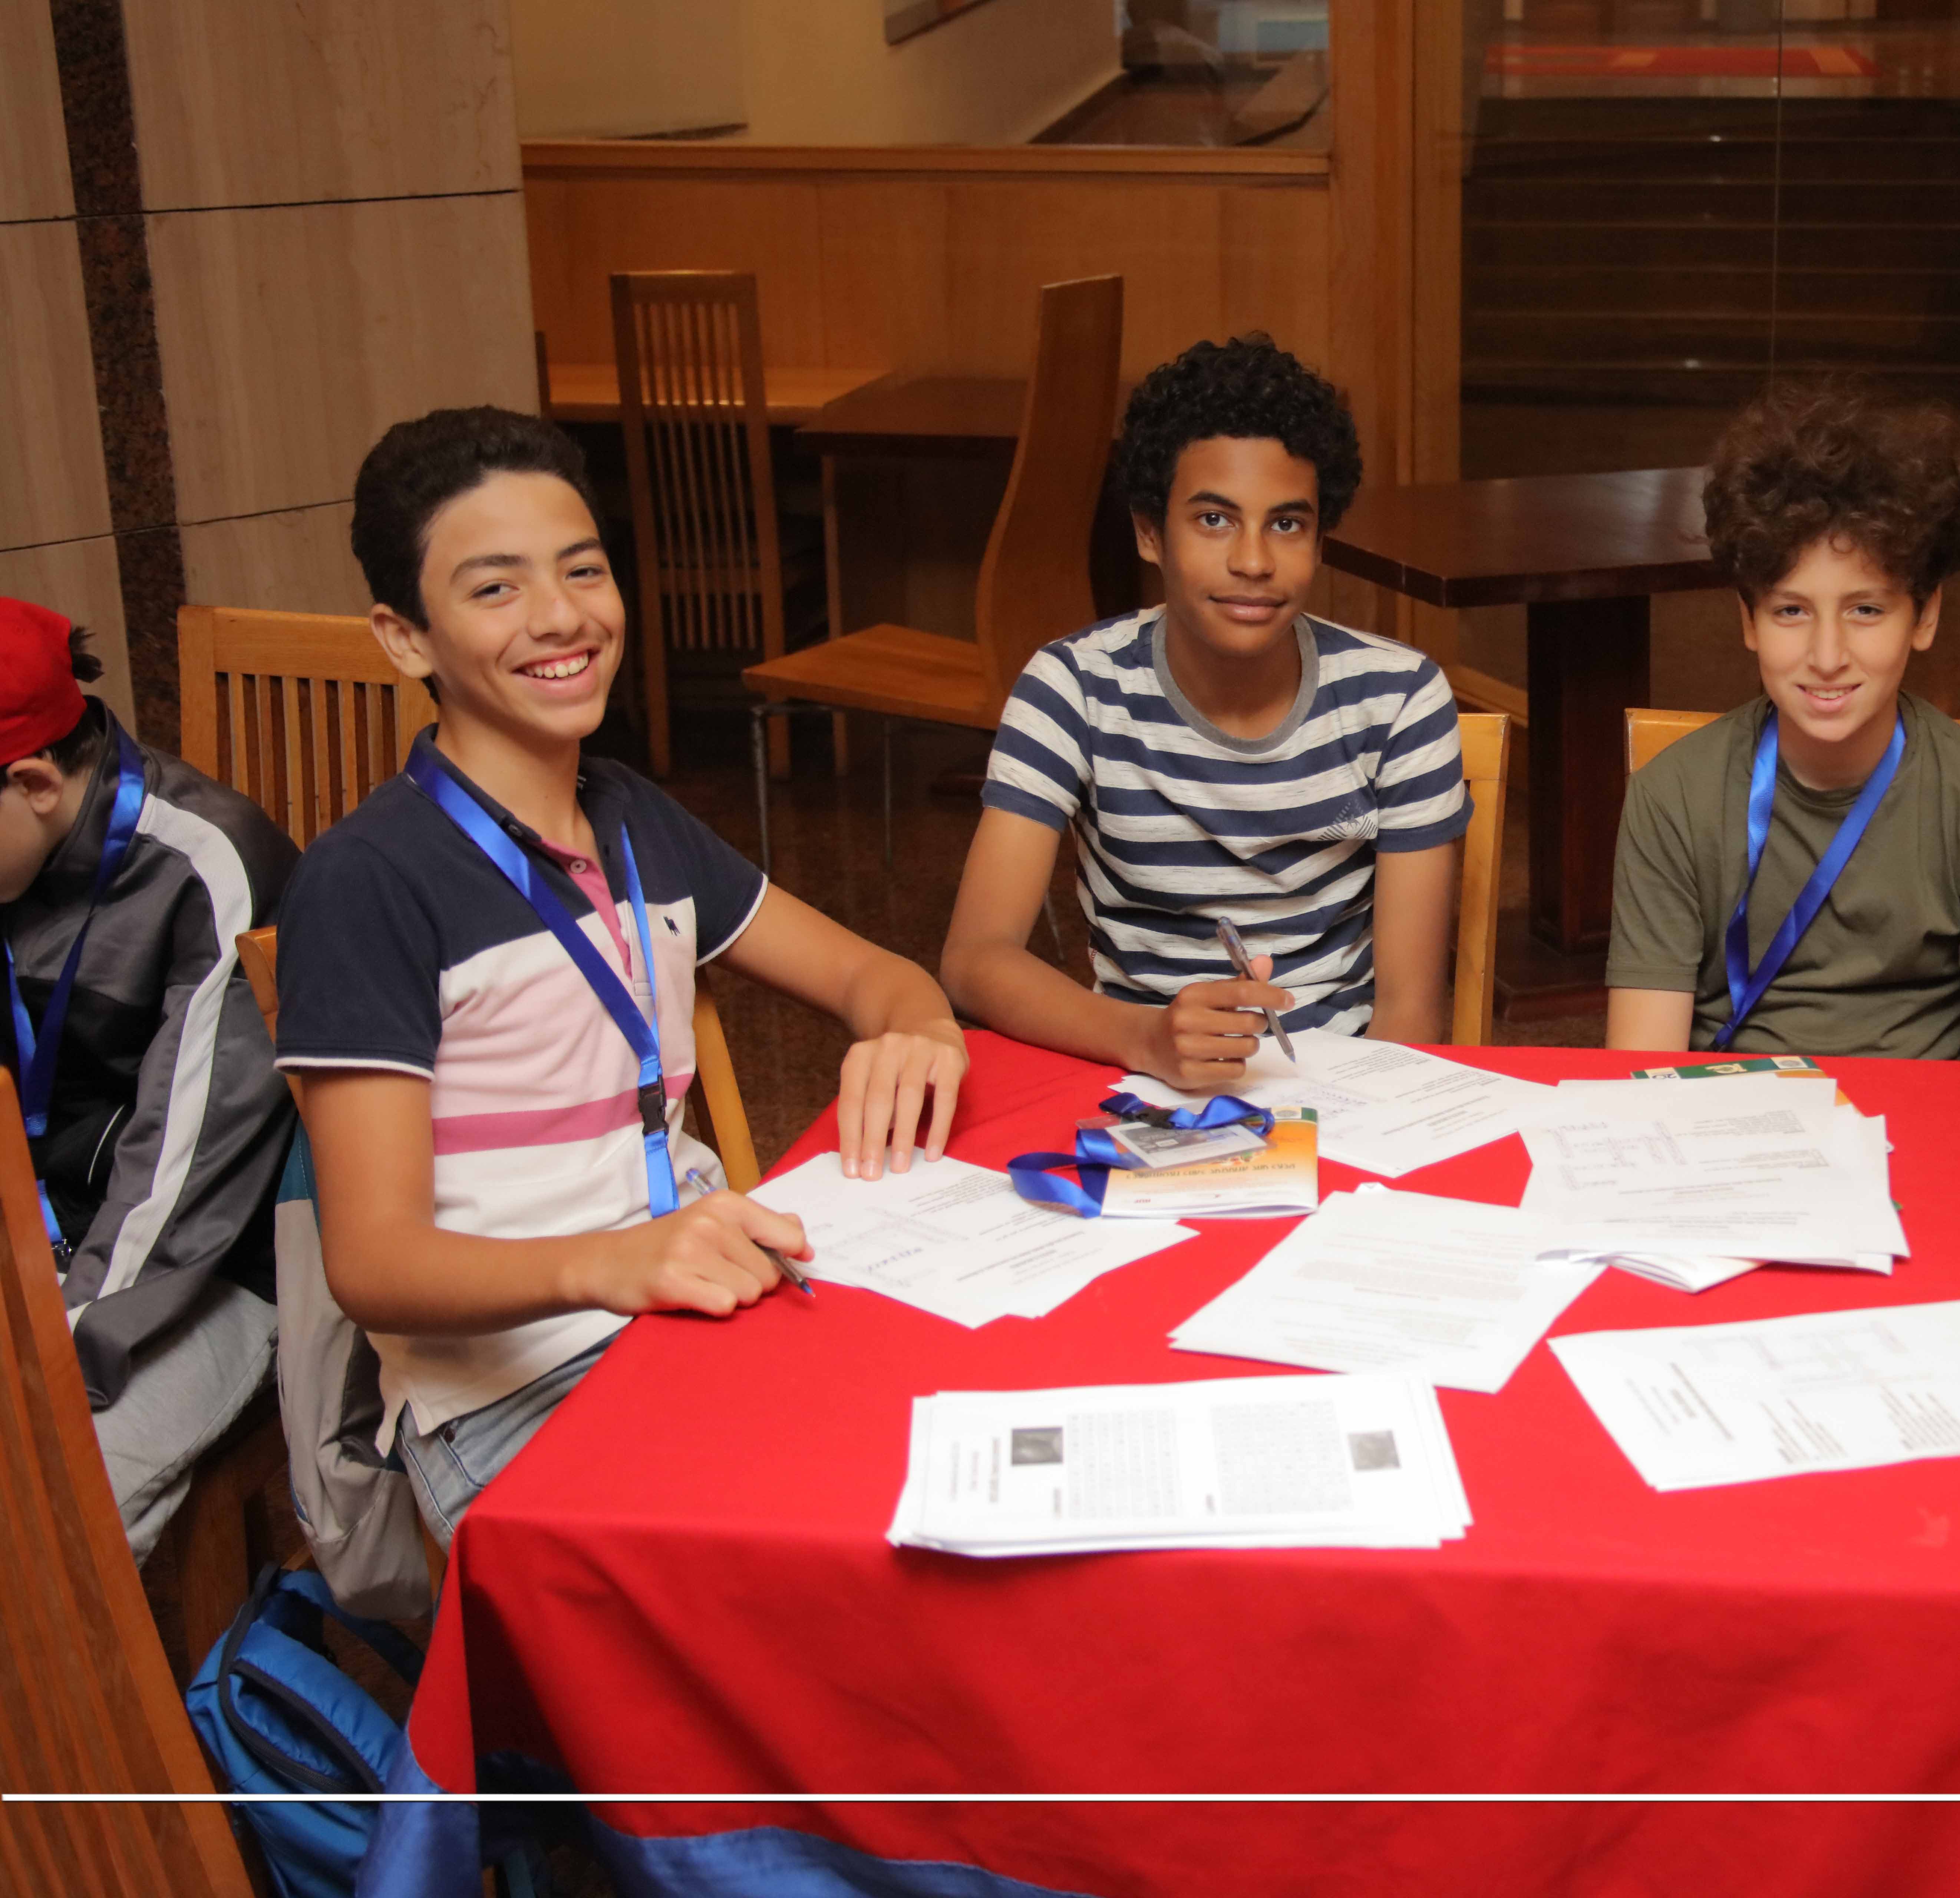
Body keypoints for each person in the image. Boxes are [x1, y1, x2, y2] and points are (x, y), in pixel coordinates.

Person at [275, 407, 970, 1545]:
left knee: (961, 1456)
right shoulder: (369, 882)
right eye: (495, 588)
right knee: (843, 1554)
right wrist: (616, 1263)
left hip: (700, 1308)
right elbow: (373, 1261)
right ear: (405, 639)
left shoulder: (633, 816)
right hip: (513, 1390)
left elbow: (874, 975)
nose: (561, 616)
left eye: (583, 569)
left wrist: (916, 1029)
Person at [941, 334, 1470, 1087]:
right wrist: (1147, 1039)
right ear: (1149, 533)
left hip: (1347, 1086)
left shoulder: (1399, 698)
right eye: (1215, 520)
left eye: (1286, 524)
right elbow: (975, 958)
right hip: (1136, 1077)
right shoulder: (1075, 689)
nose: (1253, 561)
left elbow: (1409, 1012)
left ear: (1320, 540)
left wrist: (1351, 1124)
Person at [1602, 381, 1960, 1106]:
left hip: (1921, 1137)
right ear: (1748, 621)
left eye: (1866, 610)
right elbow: (1641, 1085)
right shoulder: (1675, 798)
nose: (1827, 656)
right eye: (1791, 611)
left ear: (1925, 616)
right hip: (1726, 1131)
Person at [0, 597, 298, 1561]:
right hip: (50, 1230)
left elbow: (187, 1177)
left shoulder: (209, 866)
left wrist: (53, 1360)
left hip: (211, 1259)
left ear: (35, 781)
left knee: (41, 1525)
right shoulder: (15, 850)